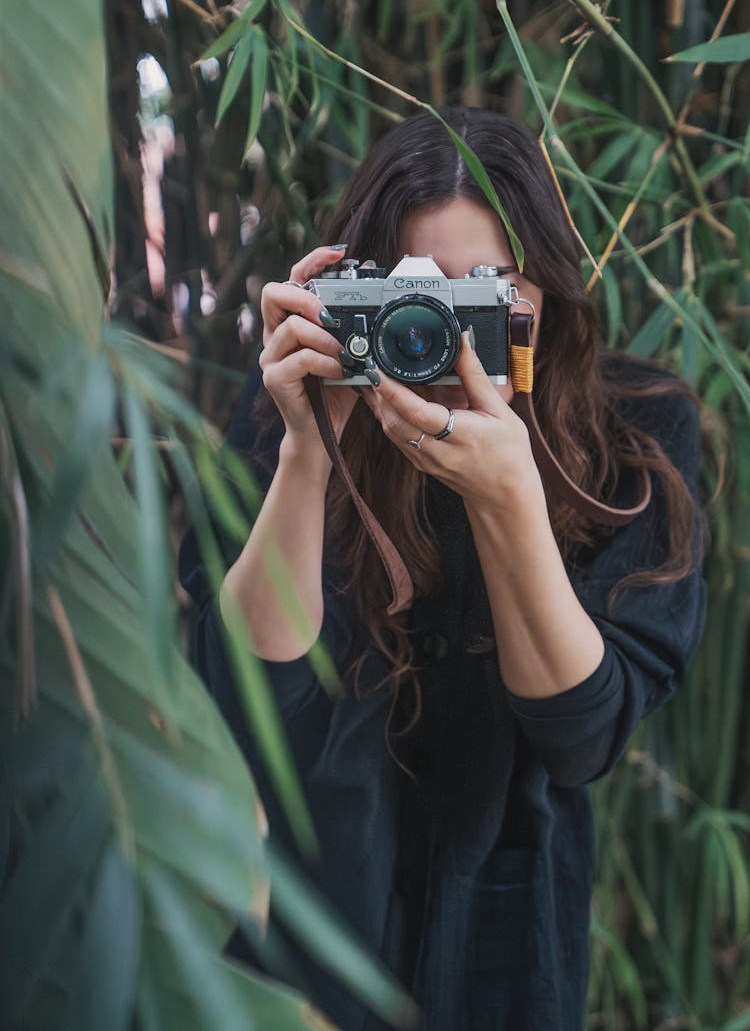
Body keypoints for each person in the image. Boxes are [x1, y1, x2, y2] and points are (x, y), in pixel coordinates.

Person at [179, 108, 706, 1031]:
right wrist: (308, 451)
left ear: (543, 285)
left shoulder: (634, 435)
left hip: (507, 935)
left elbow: (583, 737)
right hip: (301, 928)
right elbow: (247, 700)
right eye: (416, 296)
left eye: (488, 290)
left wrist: (511, 502)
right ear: (362, 296)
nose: (442, 334)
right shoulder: (296, 407)